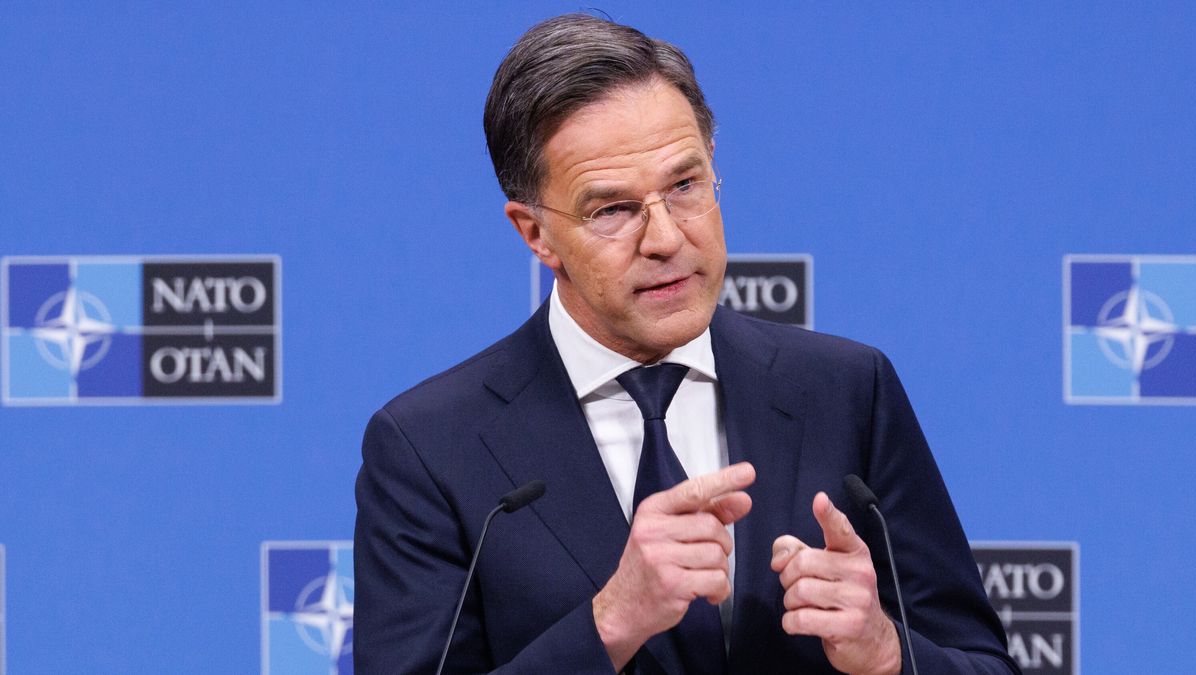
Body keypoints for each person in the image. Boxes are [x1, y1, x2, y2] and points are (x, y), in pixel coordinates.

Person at [354, 14, 1018, 675]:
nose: (666, 238)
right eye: (613, 208)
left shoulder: (846, 390)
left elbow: (984, 666)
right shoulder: (430, 448)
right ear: (535, 234)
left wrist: (886, 651)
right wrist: (609, 623)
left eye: (685, 185)